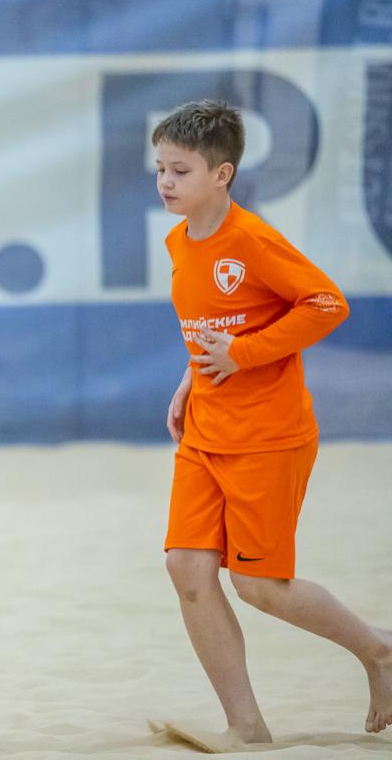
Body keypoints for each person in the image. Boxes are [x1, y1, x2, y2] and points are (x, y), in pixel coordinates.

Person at [155, 100, 392, 749]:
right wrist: (191, 376)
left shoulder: (252, 241)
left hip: (267, 437)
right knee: (185, 567)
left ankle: (378, 650)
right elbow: (209, 324)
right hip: (205, 431)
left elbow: (326, 304)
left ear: (222, 174)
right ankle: (246, 726)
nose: (166, 182)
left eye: (180, 170)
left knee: (259, 585)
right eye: (161, 169)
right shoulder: (178, 240)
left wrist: (244, 355)